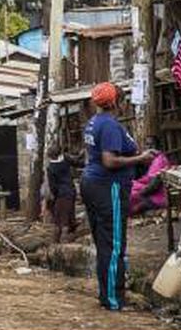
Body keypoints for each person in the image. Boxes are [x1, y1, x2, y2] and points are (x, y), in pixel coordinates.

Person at [81, 82, 155, 311]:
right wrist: (140, 159)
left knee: (105, 243)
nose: (124, 105)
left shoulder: (94, 122)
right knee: (113, 245)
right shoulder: (110, 125)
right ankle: (114, 299)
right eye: (122, 100)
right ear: (115, 102)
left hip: (93, 183)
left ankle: (108, 294)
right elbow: (109, 161)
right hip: (108, 186)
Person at [46, 146, 77, 243]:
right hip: (71, 191)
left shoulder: (51, 168)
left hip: (61, 194)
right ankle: (67, 238)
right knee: (69, 213)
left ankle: (61, 241)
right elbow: (76, 162)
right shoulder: (65, 160)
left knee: (60, 219)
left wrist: (54, 195)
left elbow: (53, 186)